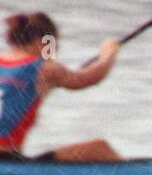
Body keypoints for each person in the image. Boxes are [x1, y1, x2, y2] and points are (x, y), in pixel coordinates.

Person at [0, 12, 122, 162]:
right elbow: (90, 78)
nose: (54, 51)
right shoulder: (46, 69)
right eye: (53, 45)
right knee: (100, 148)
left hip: (8, 161)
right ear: (42, 41)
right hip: (7, 160)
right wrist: (108, 53)